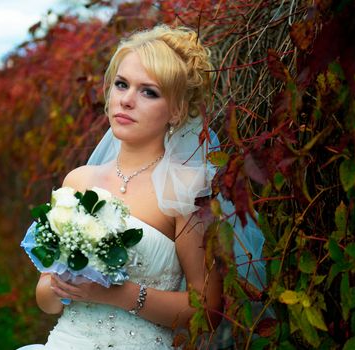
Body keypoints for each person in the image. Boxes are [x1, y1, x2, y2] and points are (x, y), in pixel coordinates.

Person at [19, 24, 226, 350]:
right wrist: (60, 285)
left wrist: (123, 295)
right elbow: (46, 300)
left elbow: (209, 309)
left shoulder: (187, 189)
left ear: (176, 111)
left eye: (149, 92)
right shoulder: (79, 180)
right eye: (121, 84)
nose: (127, 100)